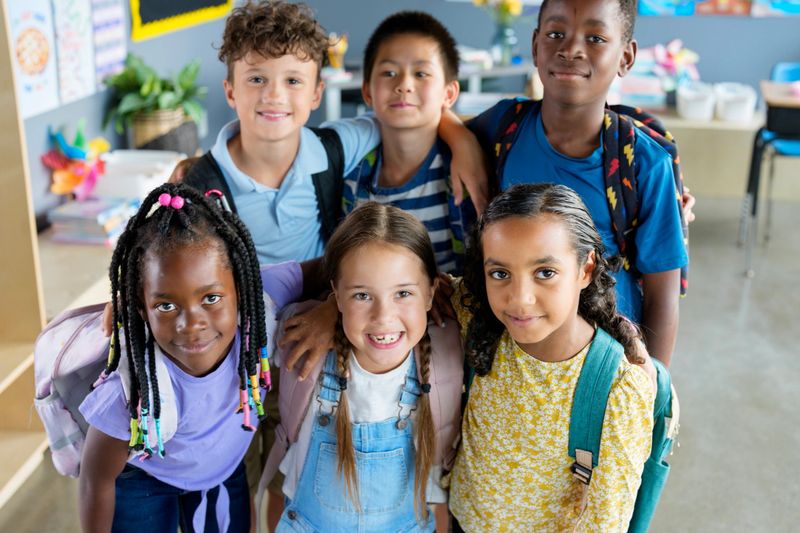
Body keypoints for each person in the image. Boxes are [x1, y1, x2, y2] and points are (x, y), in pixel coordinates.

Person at [465, 0, 689, 365]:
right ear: (536, 46)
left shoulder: (645, 163)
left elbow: (662, 294)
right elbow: (434, 130)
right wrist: (459, 141)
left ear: (626, 58)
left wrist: (653, 393)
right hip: (512, 355)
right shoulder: (504, 126)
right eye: (556, 34)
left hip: (605, 361)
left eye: (596, 38)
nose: (570, 49)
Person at [78, 183, 301, 532]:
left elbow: (325, 271)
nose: (191, 323)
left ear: (242, 290)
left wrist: (330, 310)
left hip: (220, 473)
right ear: (141, 309)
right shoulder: (129, 392)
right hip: (144, 480)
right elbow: (96, 480)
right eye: (165, 305)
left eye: (211, 298)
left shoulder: (263, 301)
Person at [447, 183, 654, 531]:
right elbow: (396, 287)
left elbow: (605, 524)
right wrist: (329, 308)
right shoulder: (475, 316)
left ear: (585, 270)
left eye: (545, 273)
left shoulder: (618, 391)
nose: (520, 298)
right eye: (500, 274)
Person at [269, 203, 462, 532]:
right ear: (337, 295)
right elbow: (249, 290)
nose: (383, 317)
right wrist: (329, 309)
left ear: (432, 293)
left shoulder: (448, 351)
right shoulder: (302, 337)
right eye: (362, 295)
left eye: (402, 293)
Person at [338, 11, 477, 275]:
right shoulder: (353, 176)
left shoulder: (461, 172)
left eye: (421, 73)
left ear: (449, 93)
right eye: (389, 72)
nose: (404, 85)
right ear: (367, 91)